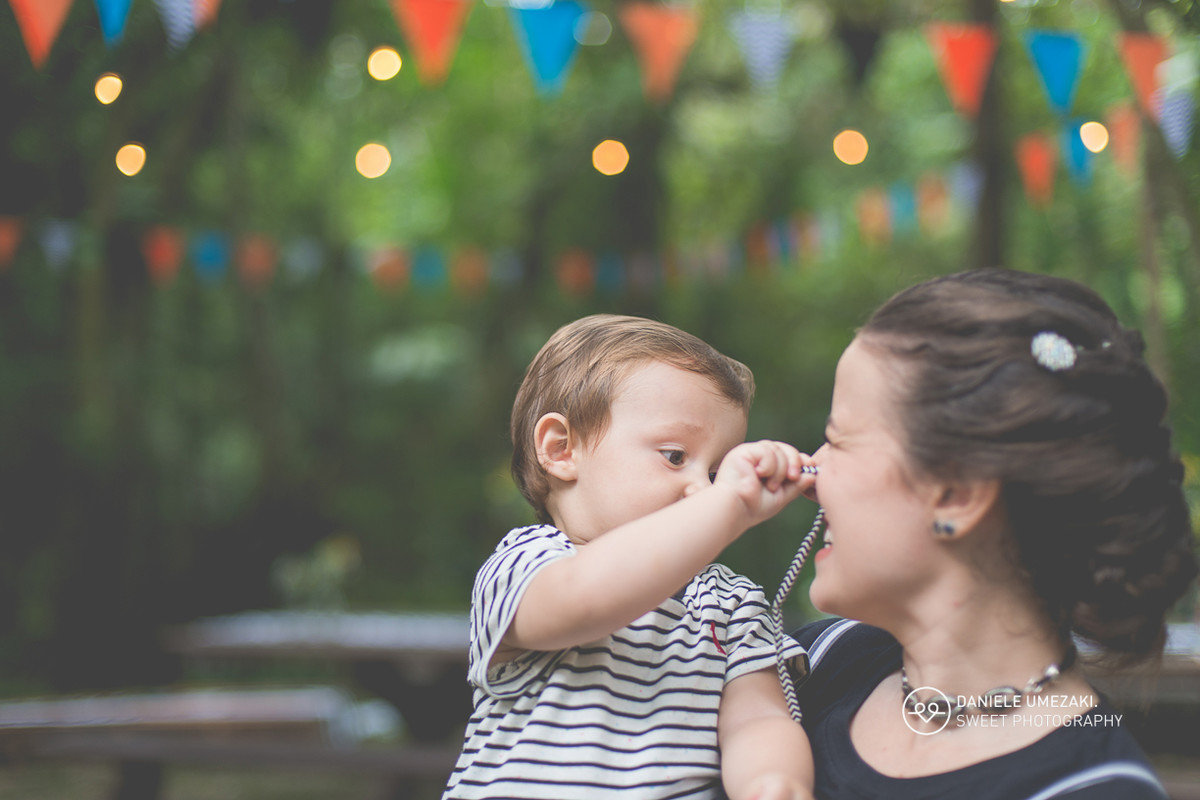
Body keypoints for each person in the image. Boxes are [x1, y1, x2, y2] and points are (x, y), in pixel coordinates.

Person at [791, 268, 1198, 799]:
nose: (807, 472)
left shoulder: (1094, 790)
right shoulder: (810, 666)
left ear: (957, 494)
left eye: (837, 439)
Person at [443, 314, 816, 800]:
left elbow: (759, 719)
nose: (704, 488)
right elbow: (585, 598)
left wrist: (775, 783)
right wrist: (730, 505)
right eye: (676, 456)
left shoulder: (734, 603)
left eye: (720, 470)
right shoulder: (526, 563)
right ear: (561, 449)